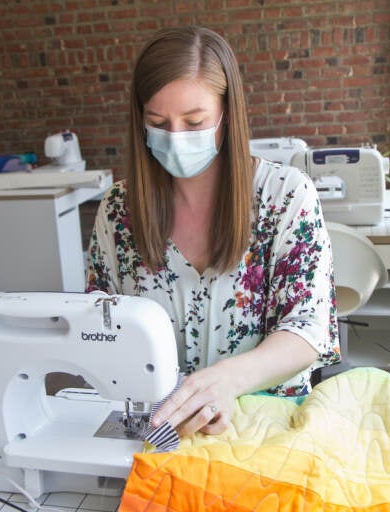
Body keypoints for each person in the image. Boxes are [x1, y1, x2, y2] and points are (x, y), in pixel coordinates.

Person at [85, 25, 339, 437]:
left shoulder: (286, 196)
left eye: (194, 121)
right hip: (161, 428)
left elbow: (309, 328)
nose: (176, 137)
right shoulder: (119, 210)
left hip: (266, 428)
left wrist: (227, 382)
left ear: (226, 113)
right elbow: (99, 326)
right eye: (158, 122)